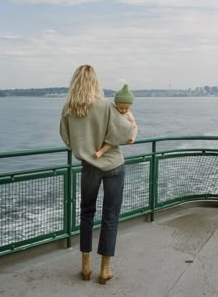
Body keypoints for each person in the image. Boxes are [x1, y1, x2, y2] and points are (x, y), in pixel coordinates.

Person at [59, 65, 134, 284]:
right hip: (113, 166)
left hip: (89, 166)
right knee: (110, 216)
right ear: (95, 83)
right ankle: (105, 270)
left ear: (75, 82)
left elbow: (66, 138)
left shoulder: (68, 109)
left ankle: (85, 268)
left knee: (86, 214)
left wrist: (84, 148)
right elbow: (126, 132)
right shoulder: (106, 106)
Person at [94, 84, 138, 159]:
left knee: (112, 142)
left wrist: (133, 137)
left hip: (120, 134)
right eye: (121, 108)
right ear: (115, 104)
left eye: (126, 108)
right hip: (113, 131)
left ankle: (101, 152)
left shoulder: (128, 115)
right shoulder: (112, 109)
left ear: (130, 105)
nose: (123, 110)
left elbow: (134, 126)